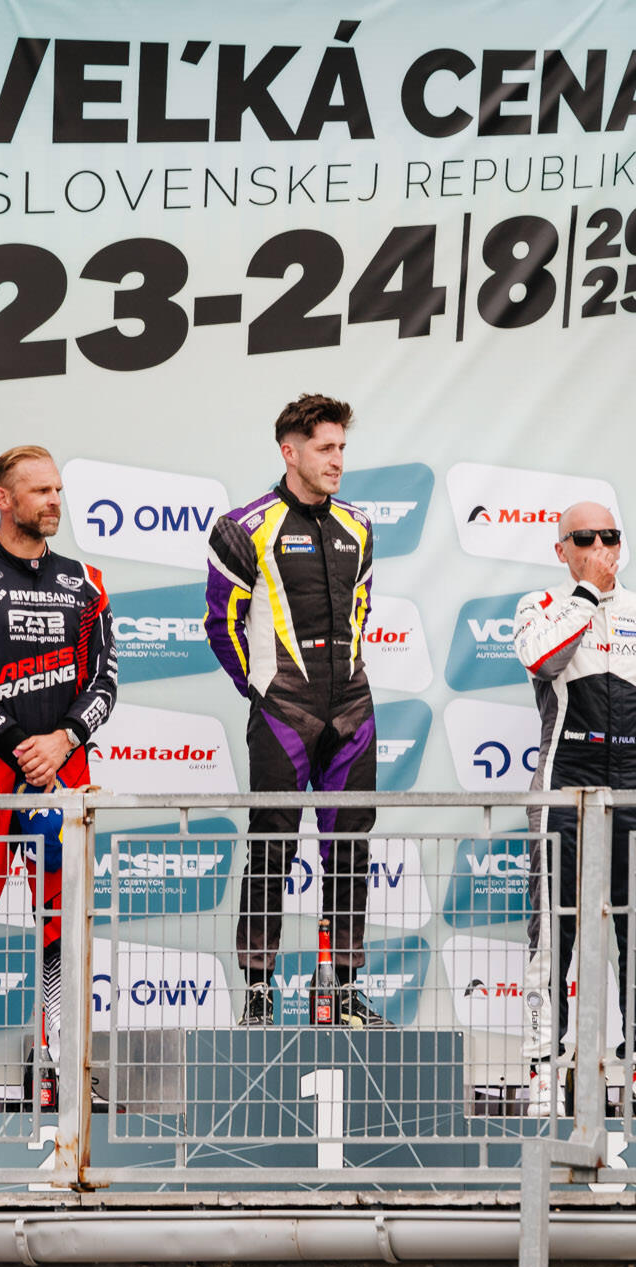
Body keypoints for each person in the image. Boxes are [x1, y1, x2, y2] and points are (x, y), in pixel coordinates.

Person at [0, 445, 118, 1111]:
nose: (54, 500)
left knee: (65, 933)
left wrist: (62, 741)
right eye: (40, 491)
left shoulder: (86, 583)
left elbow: (105, 681)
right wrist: (18, 746)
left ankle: (63, 1072)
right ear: (3, 499)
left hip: (64, 788)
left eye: (58, 489)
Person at [204, 394, 384, 1028]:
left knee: (351, 849)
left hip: (352, 708)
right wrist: (261, 691)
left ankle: (341, 988)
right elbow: (221, 624)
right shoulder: (243, 527)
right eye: (325, 448)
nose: (337, 460)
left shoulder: (359, 526)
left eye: (342, 448)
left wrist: (348, 682)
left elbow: (362, 612)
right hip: (284, 709)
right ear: (290, 452)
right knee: (271, 847)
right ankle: (259, 992)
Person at [513, 503, 636, 1120]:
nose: (599, 546)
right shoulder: (540, 607)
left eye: (609, 536)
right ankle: (544, 1072)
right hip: (565, 782)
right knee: (551, 933)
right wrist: (587, 594)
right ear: (562, 549)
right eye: (583, 538)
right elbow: (542, 661)